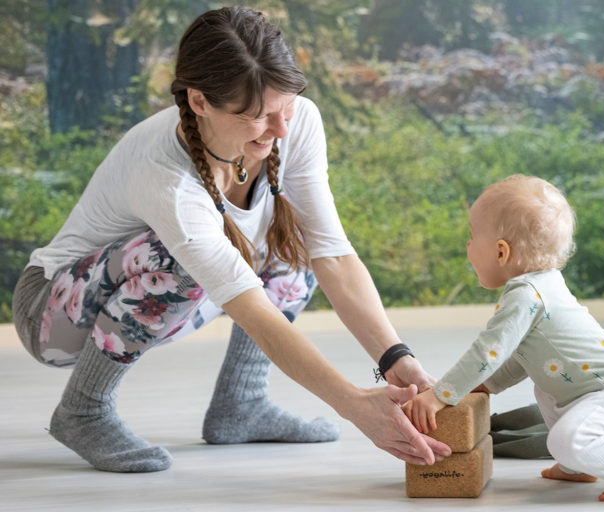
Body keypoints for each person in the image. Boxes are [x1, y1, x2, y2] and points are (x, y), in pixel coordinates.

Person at [10, 6, 450, 473]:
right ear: (200, 102)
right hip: (53, 317)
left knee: (292, 243)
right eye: (258, 116)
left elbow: (332, 254)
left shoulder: (294, 123)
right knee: (173, 260)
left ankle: (241, 404)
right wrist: (354, 403)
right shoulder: (166, 179)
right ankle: (84, 409)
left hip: (144, 296)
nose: (282, 129)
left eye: (287, 106)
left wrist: (397, 358)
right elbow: (255, 312)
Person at [403, 175, 604, 503]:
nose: (468, 246)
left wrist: (440, 395)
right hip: (601, 396)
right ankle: (575, 464)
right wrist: (484, 385)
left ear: (500, 251)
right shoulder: (543, 285)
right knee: (546, 387)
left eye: (472, 237)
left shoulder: (526, 295)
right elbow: (522, 358)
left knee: (566, 438)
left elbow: (489, 351)